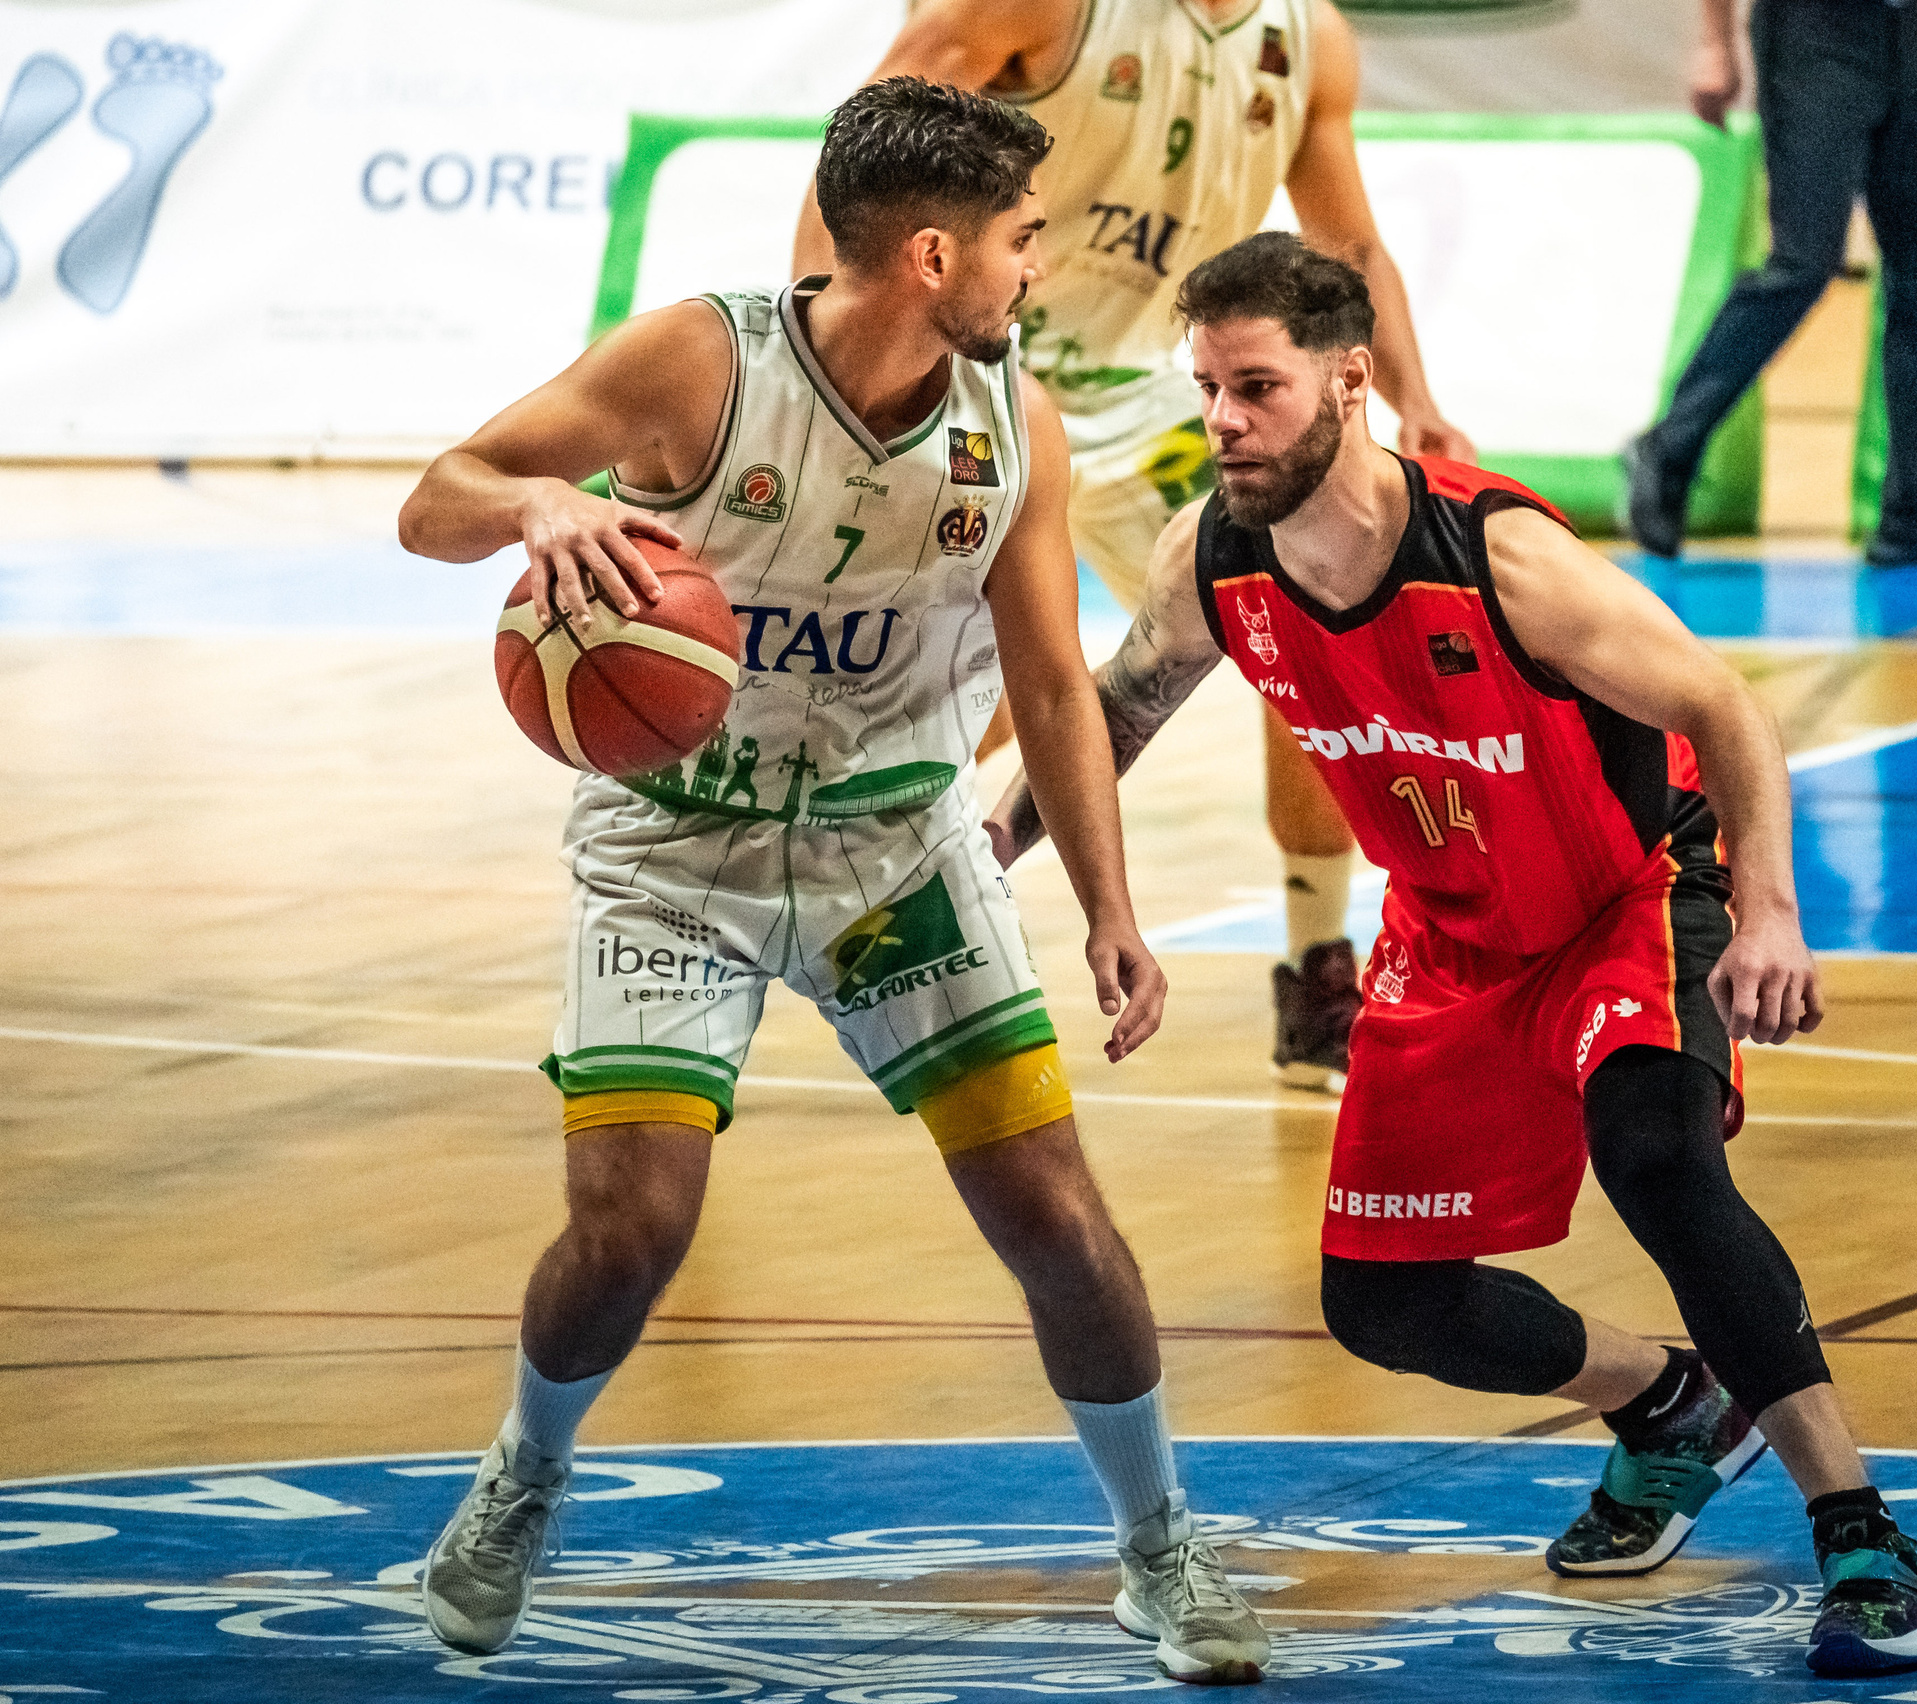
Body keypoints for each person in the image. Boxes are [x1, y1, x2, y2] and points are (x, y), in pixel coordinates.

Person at [396, 80, 1269, 1683]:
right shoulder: (699, 361)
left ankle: (1162, 1552)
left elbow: (1058, 684)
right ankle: (522, 1476)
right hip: (676, 852)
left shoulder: (1017, 421)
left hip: (897, 852)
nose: (1039, 270)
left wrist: (1111, 907)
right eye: (1020, 241)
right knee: (631, 1230)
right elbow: (432, 497)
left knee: (1057, 1221)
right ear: (930, 253)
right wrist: (538, 500)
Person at [988, 231, 1917, 1679]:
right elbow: (1112, 711)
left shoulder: (1502, 556)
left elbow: (1722, 707)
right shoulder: (1216, 556)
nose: (1226, 423)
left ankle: (1859, 1528)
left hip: (1633, 887)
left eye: (1258, 388)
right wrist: (994, 845)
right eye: (1209, 392)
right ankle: (1674, 1403)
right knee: (1382, 1299)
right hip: (1450, 937)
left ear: (1349, 381)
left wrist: (1768, 912)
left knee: (1661, 1161)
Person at [791, 0, 1474, 1095]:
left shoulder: (1310, 35)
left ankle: (1315, 971)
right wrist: (835, 363)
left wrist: (1418, 399)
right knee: (943, 685)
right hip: (991, 381)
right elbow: (863, 164)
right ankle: (822, 889)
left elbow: (1344, 246)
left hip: (1167, 399)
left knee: (1303, 612)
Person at [1620, 0, 1917, 567]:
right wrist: (1714, 42)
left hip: (1913, 28)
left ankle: (1916, 508)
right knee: (1802, 263)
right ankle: (1667, 448)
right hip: (1813, 29)